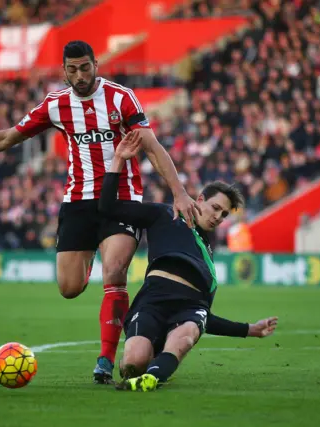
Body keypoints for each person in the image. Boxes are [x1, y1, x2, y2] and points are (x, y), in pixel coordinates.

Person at [0, 40, 199, 383]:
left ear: (96, 64)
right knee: (69, 288)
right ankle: (102, 272)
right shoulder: (56, 104)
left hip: (122, 197)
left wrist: (180, 192)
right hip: (77, 202)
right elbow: (8, 137)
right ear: (63, 71)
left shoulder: (120, 97)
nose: (79, 75)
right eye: (72, 70)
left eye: (85, 67)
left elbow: (153, 148)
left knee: (115, 272)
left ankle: (104, 361)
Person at [98, 131, 278, 391]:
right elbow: (108, 208)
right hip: (154, 298)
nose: (218, 217)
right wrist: (117, 160)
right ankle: (152, 367)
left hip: (190, 307)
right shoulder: (164, 214)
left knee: (186, 335)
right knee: (132, 364)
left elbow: (205, 315)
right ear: (200, 200)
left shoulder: (208, 251)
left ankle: (154, 376)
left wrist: (251, 329)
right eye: (216, 208)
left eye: (224, 214)